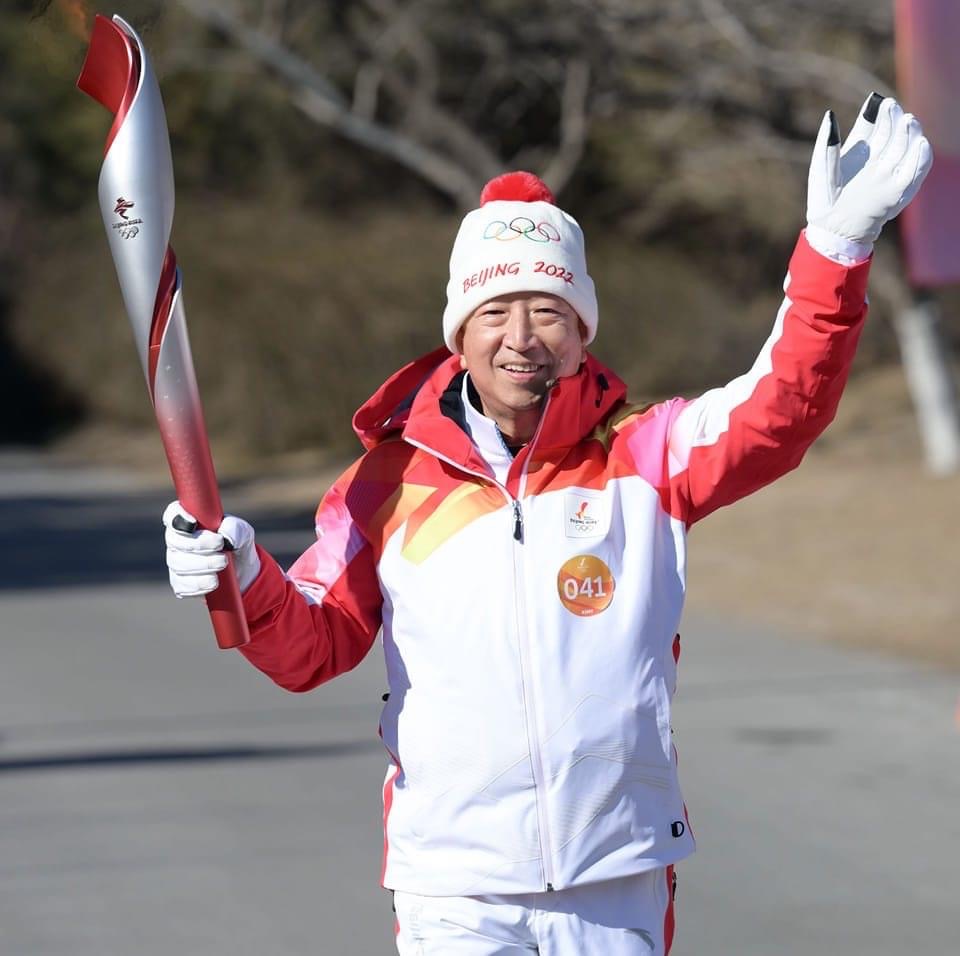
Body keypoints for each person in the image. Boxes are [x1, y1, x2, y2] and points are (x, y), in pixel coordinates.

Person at [163, 94, 930, 954]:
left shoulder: (647, 453)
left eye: (548, 310)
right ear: (460, 333)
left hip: (616, 870)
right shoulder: (386, 484)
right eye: (495, 311)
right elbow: (310, 646)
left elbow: (780, 409)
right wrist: (244, 578)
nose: (521, 336)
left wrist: (835, 251)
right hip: (455, 881)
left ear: (581, 330)